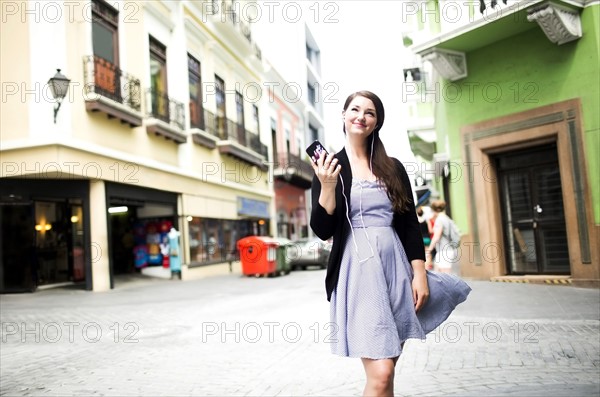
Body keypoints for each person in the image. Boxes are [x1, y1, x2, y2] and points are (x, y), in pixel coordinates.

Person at [309, 91, 471, 397]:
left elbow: (409, 224)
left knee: (388, 372)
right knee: (381, 373)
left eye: (370, 112)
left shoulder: (392, 167)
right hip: (358, 273)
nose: (361, 116)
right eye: (355, 109)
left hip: (396, 269)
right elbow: (321, 229)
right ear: (343, 115)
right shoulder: (329, 167)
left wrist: (419, 274)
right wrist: (327, 187)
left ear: (376, 122)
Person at [427, 200, 458, 274]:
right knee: (439, 273)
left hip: (444, 251)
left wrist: (429, 250)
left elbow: (436, 236)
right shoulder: (446, 218)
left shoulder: (440, 219)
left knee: (445, 276)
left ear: (433, 209)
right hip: (445, 250)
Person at [416, 206, 434, 270]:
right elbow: (430, 230)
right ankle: (428, 265)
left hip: (420, 239)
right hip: (427, 238)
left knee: (422, 253)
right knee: (428, 252)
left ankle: (424, 266)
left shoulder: (416, 222)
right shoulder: (427, 221)